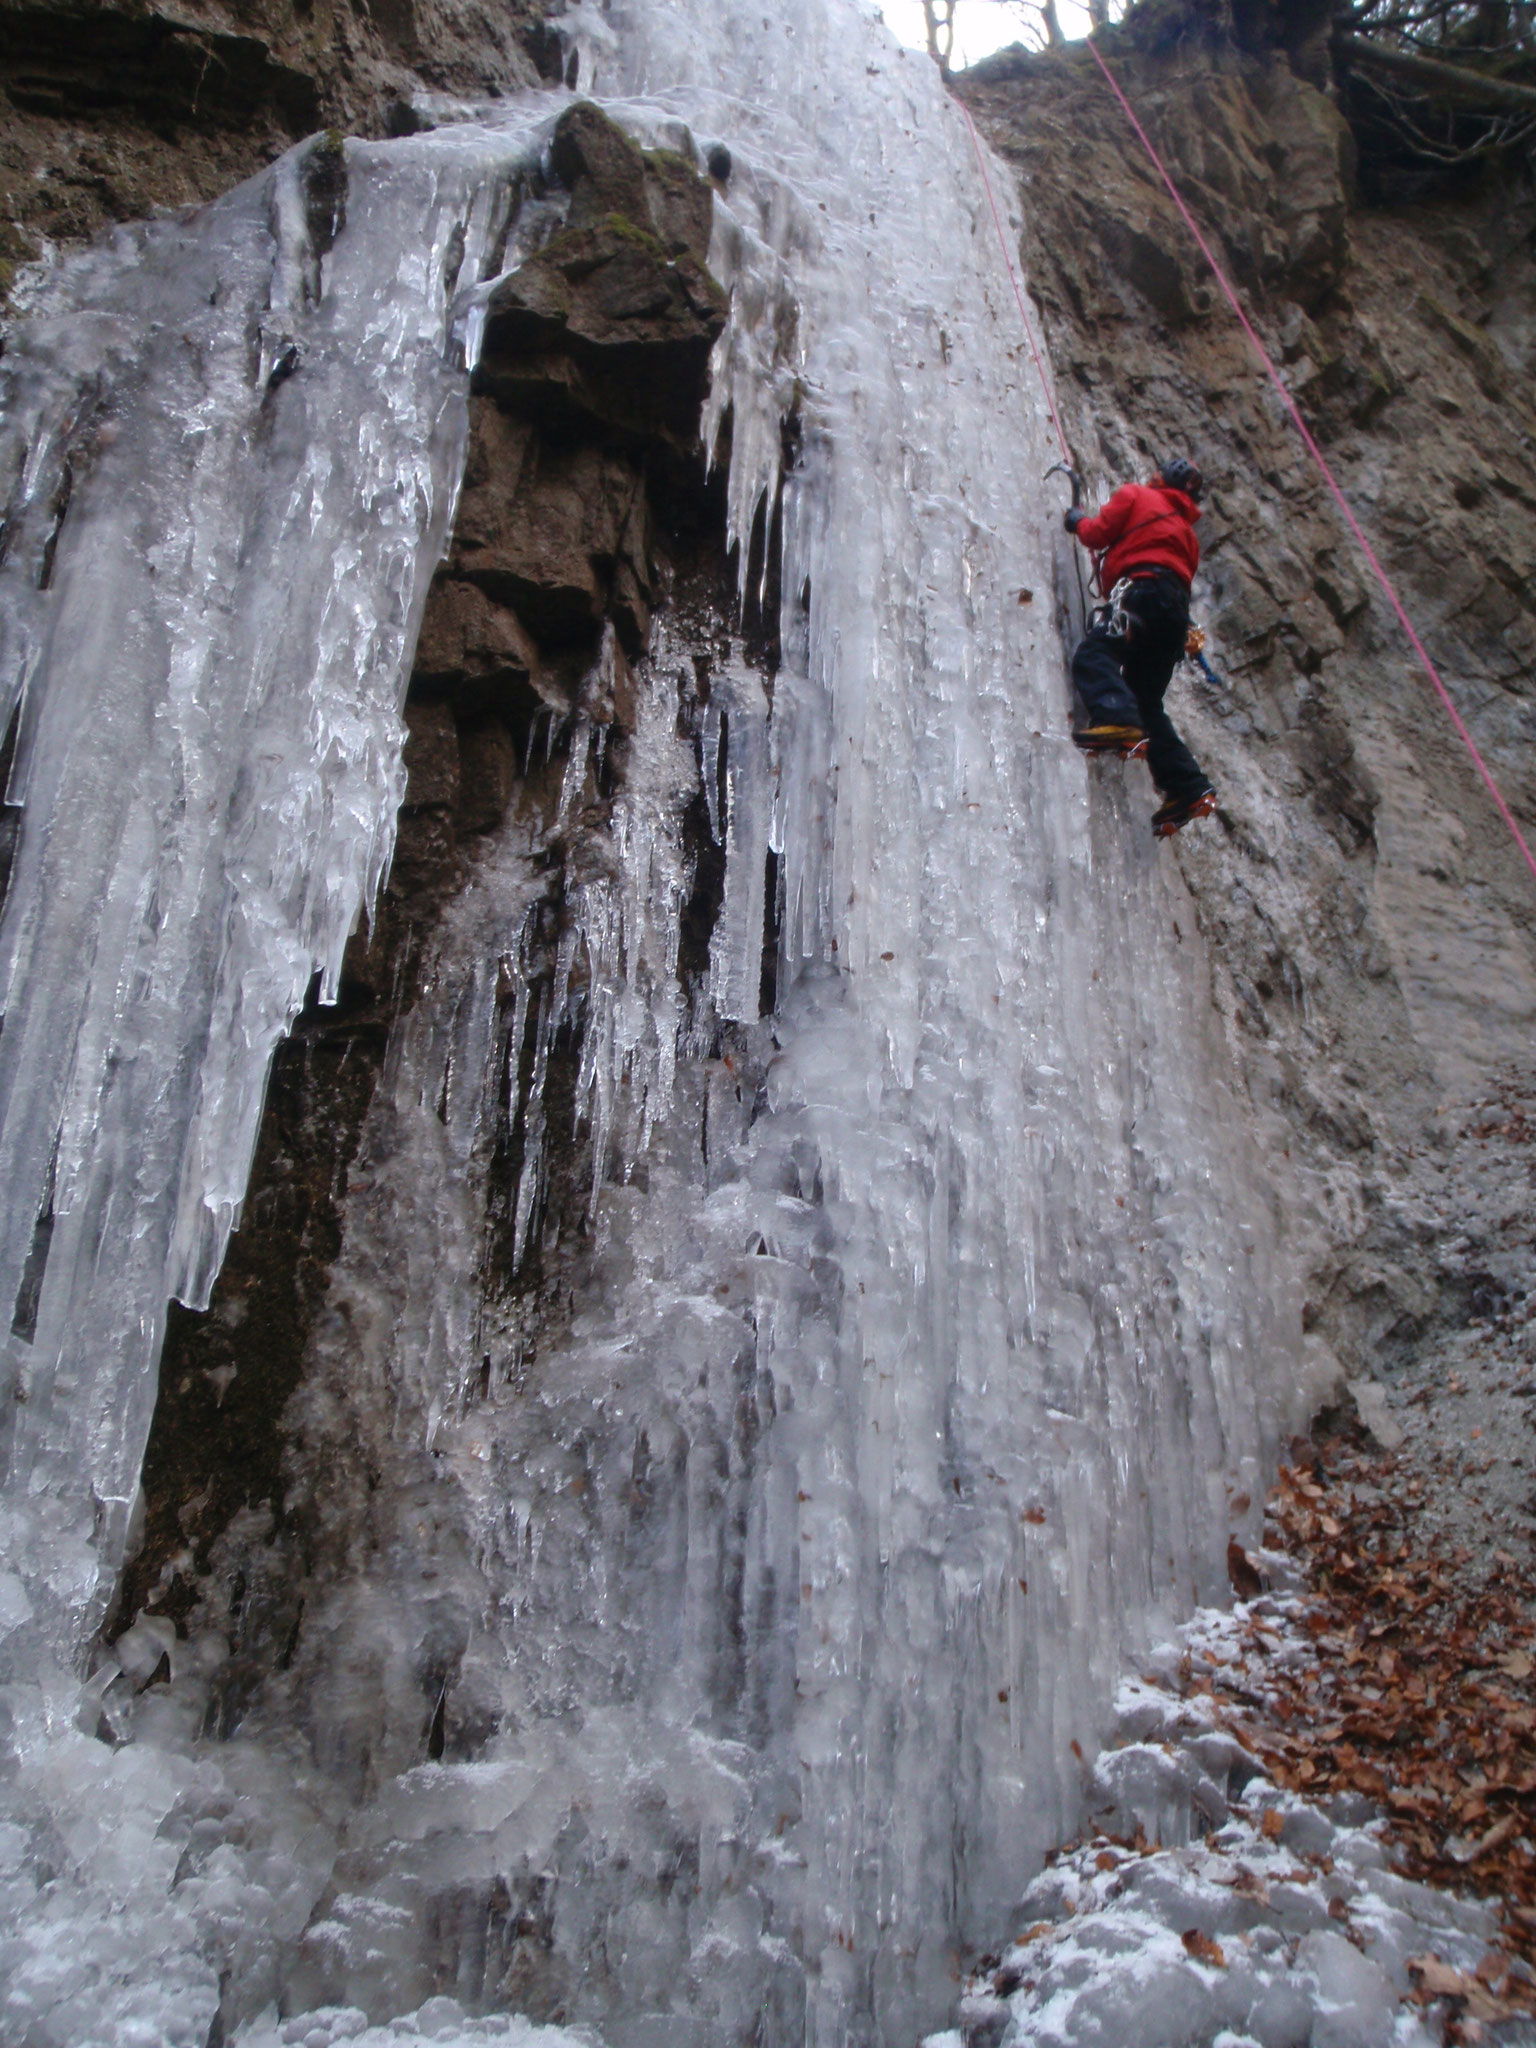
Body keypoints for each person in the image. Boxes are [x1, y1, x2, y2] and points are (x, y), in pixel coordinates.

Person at [1065, 457, 1217, 837]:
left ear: (1159, 478)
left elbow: (1098, 534)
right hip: (1175, 618)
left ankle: (1116, 718)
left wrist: (1075, 521)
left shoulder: (1136, 496)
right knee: (1147, 701)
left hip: (1142, 594)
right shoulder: (1188, 536)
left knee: (1095, 654)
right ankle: (1188, 787)